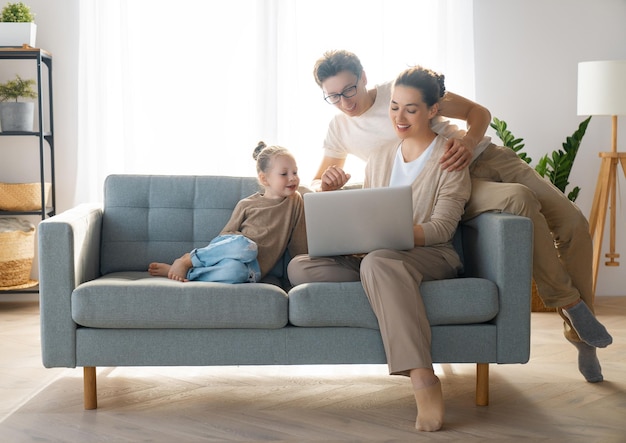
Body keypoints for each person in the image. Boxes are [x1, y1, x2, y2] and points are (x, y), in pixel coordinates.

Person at [308, 49, 612, 384]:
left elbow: (477, 112)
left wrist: (468, 142)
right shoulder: (340, 129)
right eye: (333, 96)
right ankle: (567, 304)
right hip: (448, 180)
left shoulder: (401, 90)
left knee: (573, 222)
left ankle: (583, 333)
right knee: (519, 200)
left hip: (485, 157)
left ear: (363, 77)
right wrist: (327, 182)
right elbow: (320, 180)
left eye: (349, 90)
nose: (345, 102)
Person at [290, 66, 470, 432]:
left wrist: (384, 239)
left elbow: (441, 228)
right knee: (301, 268)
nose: (399, 118)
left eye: (411, 109)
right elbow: (367, 213)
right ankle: (383, 280)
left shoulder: (450, 157)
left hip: (432, 255)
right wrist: (336, 202)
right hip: (379, 256)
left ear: (433, 110)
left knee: (378, 262)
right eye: (393, 107)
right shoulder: (382, 156)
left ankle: (423, 379)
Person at [149, 142, 307, 284]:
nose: (293, 178)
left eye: (295, 172)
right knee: (247, 247)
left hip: (253, 269)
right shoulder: (247, 204)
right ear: (264, 179)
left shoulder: (295, 201)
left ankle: (186, 273)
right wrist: (241, 244)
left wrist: (302, 264)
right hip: (238, 249)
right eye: (284, 174)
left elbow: (299, 241)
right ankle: (187, 259)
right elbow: (226, 235)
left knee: (236, 273)